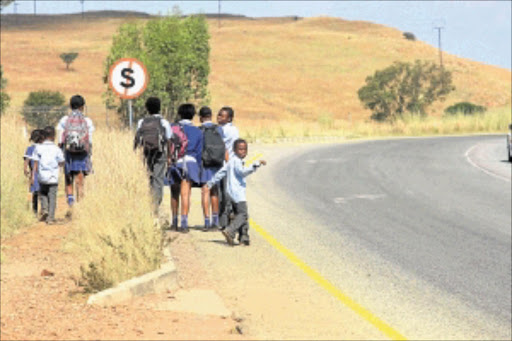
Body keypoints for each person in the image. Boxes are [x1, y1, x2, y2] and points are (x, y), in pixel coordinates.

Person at [207, 138, 266, 246]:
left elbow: (221, 173)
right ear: (234, 150)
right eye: (240, 149)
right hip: (238, 193)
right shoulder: (237, 162)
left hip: (231, 192)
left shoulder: (231, 161)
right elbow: (242, 172)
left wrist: (210, 183)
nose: (243, 151)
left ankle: (243, 238)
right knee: (243, 214)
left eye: (244, 149)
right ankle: (230, 230)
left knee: (238, 215)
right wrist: (255, 164)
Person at [167, 103, 203, 233]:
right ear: (193, 115)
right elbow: (199, 153)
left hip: (175, 162)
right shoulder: (198, 132)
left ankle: (174, 222)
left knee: (174, 193)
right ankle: (184, 223)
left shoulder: (172, 128)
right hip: (191, 163)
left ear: (179, 114)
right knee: (186, 194)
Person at [134, 97, 173, 214]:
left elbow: (137, 138)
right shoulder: (163, 122)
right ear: (160, 108)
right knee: (158, 179)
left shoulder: (142, 122)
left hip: (146, 154)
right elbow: (169, 140)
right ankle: (155, 206)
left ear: (147, 108)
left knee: (148, 178)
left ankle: (149, 203)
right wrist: (169, 157)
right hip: (160, 153)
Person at [57, 94, 94, 207]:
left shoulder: (64, 120)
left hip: (68, 152)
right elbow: (90, 140)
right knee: (80, 176)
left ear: (70, 106)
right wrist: (89, 153)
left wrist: (60, 153)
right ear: (82, 106)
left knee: (68, 176)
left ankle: (70, 201)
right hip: (82, 152)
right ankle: (81, 202)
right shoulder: (87, 121)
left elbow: (60, 140)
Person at [198, 106, 226, 231]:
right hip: (218, 164)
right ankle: (215, 221)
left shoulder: (199, 130)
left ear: (200, 118)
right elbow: (224, 146)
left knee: (205, 191)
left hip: (206, 164)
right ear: (211, 116)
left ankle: (206, 221)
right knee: (215, 191)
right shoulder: (219, 129)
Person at [32, 126, 65, 224]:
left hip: (42, 176)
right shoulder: (56, 149)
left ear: (44, 136)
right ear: (54, 136)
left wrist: (34, 175)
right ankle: (50, 218)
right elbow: (62, 161)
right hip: (53, 177)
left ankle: (45, 209)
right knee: (52, 197)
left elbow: (36, 163)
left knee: (43, 194)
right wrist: (60, 164)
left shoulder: (38, 148)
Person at [216, 106, 239, 229]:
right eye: (219, 114)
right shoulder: (235, 130)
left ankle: (223, 221)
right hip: (231, 165)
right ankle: (225, 220)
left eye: (222, 115)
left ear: (229, 118)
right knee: (227, 194)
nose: (219, 117)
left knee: (222, 195)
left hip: (224, 165)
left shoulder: (221, 131)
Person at [23, 129, 44, 214]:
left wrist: (25, 169)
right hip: (43, 172)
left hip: (33, 174)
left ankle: (34, 211)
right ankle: (43, 209)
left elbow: (26, 161)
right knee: (43, 192)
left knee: (35, 193)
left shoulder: (29, 149)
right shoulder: (43, 148)